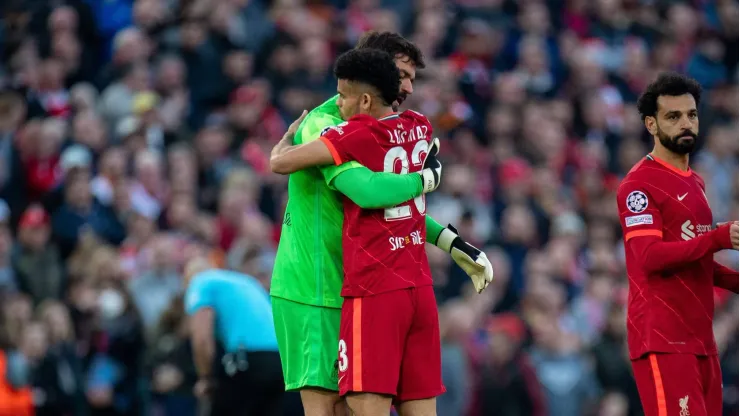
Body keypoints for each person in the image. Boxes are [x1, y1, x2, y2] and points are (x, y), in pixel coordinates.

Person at [268, 31, 493, 415]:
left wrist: (449, 241)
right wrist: (426, 179)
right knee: (332, 410)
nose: (405, 87)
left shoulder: (380, 129)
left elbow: (394, 212)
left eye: (410, 79)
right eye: (401, 74)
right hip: (316, 290)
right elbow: (369, 191)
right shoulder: (325, 126)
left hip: (365, 287)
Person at [616, 72, 739, 416]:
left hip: (702, 340)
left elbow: (694, 259)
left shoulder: (695, 181)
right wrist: (718, 238)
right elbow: (650, 257)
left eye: (691, 114)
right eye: (673, 116)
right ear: (651, 125)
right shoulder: (638, 186)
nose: (686, 123)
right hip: (663, 340)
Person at [183, 258, 284, 416]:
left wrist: (206, 378)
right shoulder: (246, 281)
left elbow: (202, 339)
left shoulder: (200, 282)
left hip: (248, 358)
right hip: (281, 361)